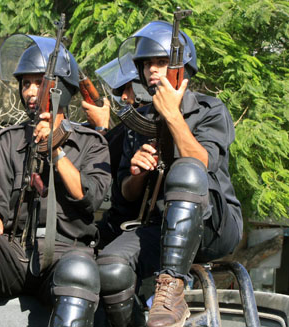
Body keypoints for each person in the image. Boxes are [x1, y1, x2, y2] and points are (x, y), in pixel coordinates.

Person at [0, 35, 111, 327]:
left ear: (61, 89)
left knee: (81, 270)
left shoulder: (92, 143)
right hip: (15, 253)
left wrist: (56, 150)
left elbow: (88, 196)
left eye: (39, 83)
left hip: (67, 254)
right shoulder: (8, 140)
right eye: (25, 83)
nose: (29, 91)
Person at [96, 20, 243, 327]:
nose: (152, 70)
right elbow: (125, 192)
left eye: (161, 63)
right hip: (159, 226)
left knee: (187, 171)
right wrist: (137, 172)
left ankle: (172, 287)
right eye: (147, 63)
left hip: (210, 224)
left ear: (182, 67)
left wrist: (173, 116)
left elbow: (202, 163)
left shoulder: (210, 110)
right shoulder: (140, 118)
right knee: (109, 268)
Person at [82, 57, 152, 248]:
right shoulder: (133, 126)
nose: (122, 97)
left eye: (127, 88)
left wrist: (101, 127)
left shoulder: (143, 127)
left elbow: (101, 162)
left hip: (127, 226)